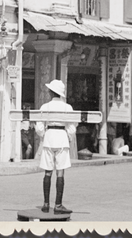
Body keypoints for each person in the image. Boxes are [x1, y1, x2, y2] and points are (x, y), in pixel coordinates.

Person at [35, 79, 76, 214]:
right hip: (62, 138)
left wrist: (44, 135)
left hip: (49, 138)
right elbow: (72, 127)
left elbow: (39, 126)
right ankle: (58, 204)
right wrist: (68, 137)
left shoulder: (45, 107)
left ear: (51, 92)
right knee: (60, 172)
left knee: (47, 171)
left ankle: (46, 204)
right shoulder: (67, 107)